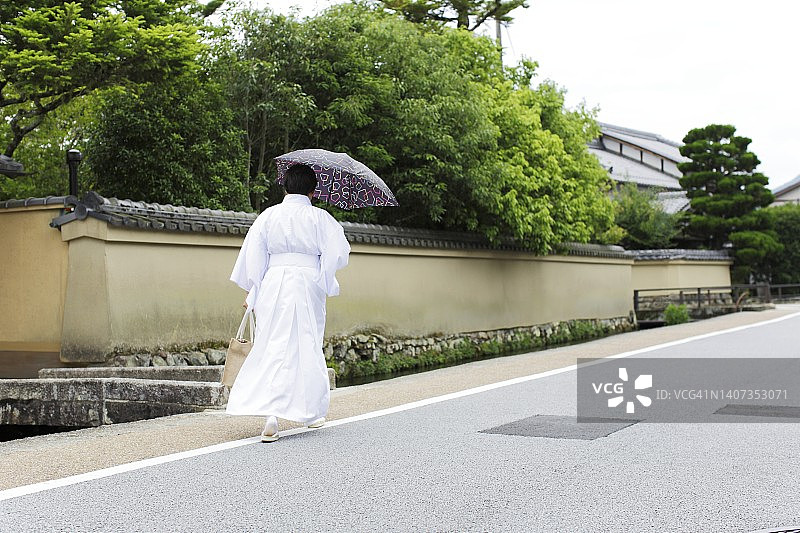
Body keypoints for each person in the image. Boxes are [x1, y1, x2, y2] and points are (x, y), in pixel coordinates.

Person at [225, 163, 350, 442]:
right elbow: (338, 254)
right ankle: (311, 412)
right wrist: (323, 272)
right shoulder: (321, 218)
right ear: (313, 191)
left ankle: (271, 416)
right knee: (307, 343)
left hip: (274, 283)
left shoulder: (268, 216)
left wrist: (254, 291)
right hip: (308, 283)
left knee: (272, 343)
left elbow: (254, 256)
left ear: (285, 188)